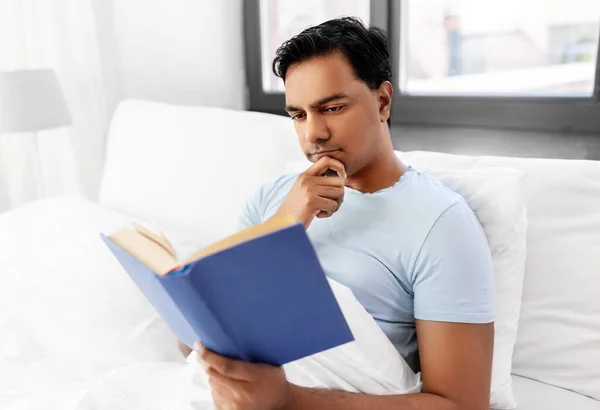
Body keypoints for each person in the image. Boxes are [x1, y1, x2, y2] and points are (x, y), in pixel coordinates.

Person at [195, 17, 495, 410]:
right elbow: (196, 340)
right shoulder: (272, 200)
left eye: (332, 107)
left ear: (382, 101)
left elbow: (462, 404)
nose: (312, 134)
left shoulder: (441, 223)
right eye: (298, 115)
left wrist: (288, 400)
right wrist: (286, 224)